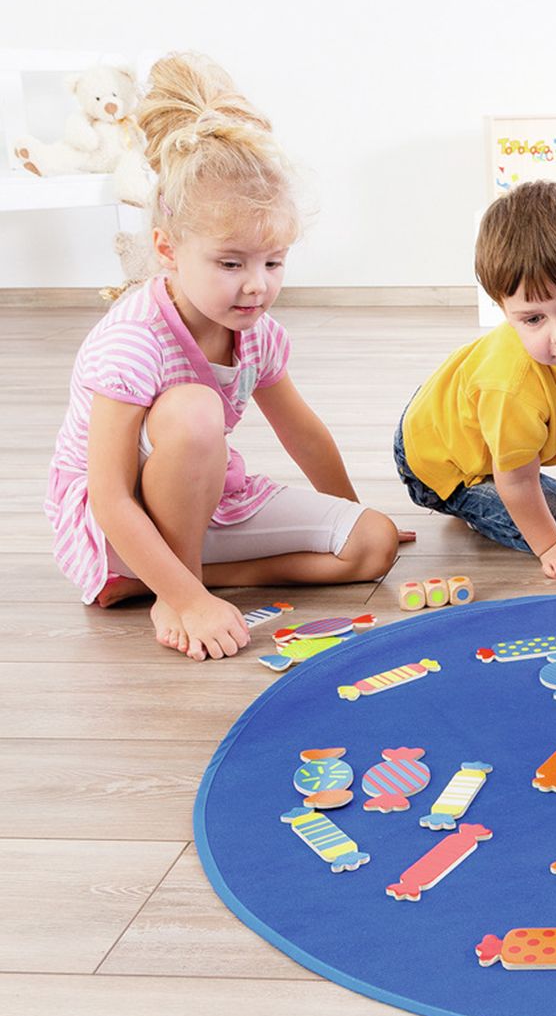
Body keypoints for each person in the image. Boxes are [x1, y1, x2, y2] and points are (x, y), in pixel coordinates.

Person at [46, 52, 403, 661]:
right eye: (230, 264)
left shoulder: (256, 331)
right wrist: (185, 601)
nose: (255, 285)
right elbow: (108, 494)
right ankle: (175, 588)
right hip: (117, 525)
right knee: (192, 408)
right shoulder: (131, 340)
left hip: (203, 499)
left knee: (374, 543)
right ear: (167, 248)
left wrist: (349, 506)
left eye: (273, 262)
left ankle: (185, 582)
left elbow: (304, 433)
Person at [395, 181, 556, 583]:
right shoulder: (509, 385)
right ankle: (465, 501)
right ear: (505, 311)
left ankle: (546, 436)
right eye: (533, 319)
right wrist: (551, 546)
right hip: (440, 457)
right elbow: (516, 479)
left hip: (479, 405)